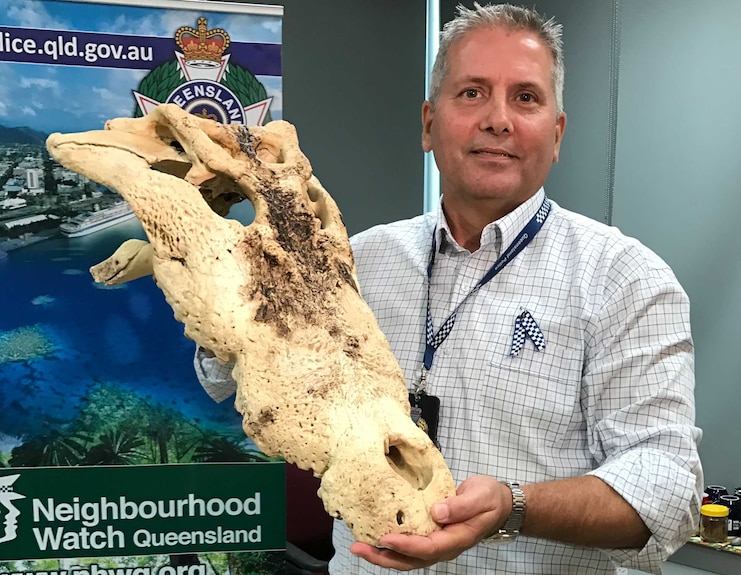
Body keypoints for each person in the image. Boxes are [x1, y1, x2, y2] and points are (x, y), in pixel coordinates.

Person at [195, 3, 703, 574]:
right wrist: (229, 277)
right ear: (428, 124)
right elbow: (226, 377)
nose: (498, 120)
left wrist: (515, 506)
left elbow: (668, 490)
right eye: (472, 93)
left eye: (526, 97)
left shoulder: (624, 279)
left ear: (556, 135)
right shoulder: (356, 260)